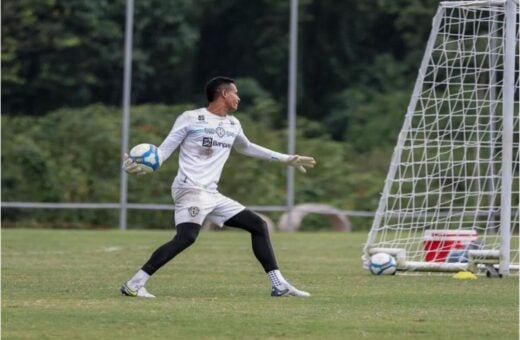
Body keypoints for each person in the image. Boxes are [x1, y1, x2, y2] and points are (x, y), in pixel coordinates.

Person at [120, 76, 316, 298]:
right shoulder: (191, 118)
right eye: (236, 93)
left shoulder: (233, 124)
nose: (239, 98)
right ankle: (134, 284)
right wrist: (138, 165)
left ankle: (279, 285)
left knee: (258, 225)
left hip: (211, 194)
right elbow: (162, 153)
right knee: (186, 238)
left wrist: (286, 158)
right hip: (190, 190)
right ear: (224, 94)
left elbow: (247, 147)